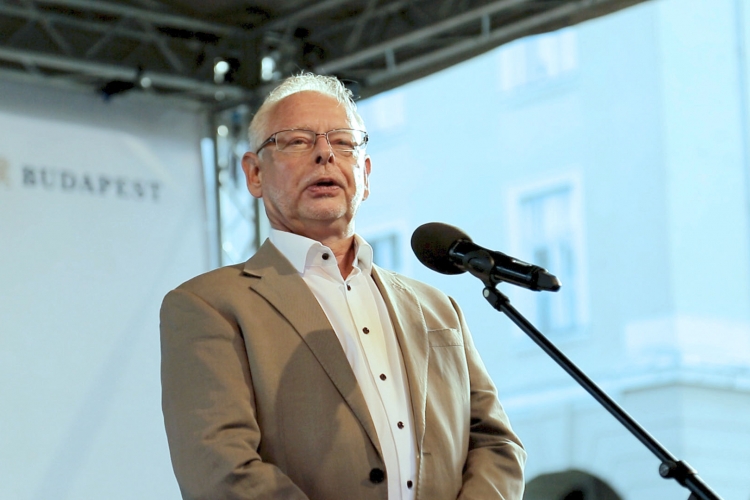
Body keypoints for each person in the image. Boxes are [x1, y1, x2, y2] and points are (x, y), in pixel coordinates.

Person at [160, 73, 526, 500]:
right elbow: (221, 470)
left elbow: (495, 445)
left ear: (365, 175)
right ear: (255, 173)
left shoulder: (437, 307)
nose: (325, 154)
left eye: (344, 142)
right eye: (298, 141)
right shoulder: (209, 305)